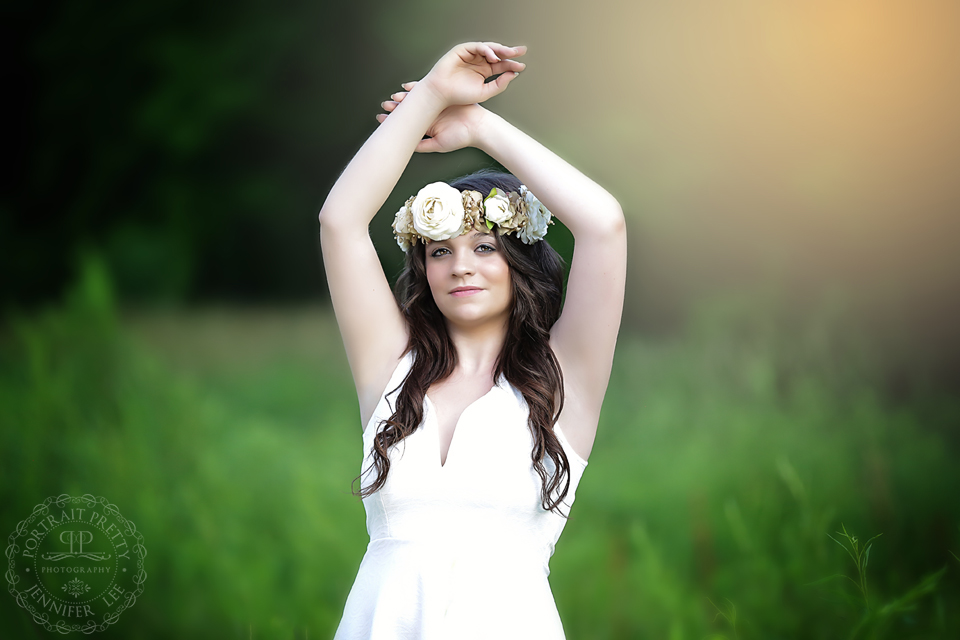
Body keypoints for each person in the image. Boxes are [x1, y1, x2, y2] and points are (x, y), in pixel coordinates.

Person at [318, 41, 626, 639]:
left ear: (519, 260)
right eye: (440, 251)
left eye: (485, 247)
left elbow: (604, 225)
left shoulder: (563, 380)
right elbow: (340, 220)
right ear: (424, 268)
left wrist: (481, 126)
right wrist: (433, 91)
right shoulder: (391, 368)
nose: (461, 267)